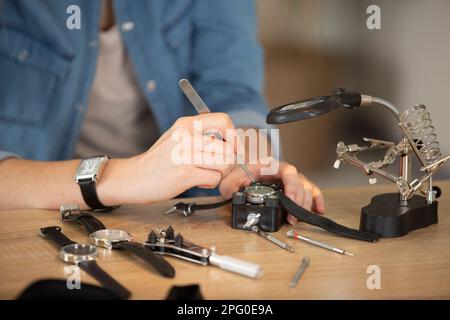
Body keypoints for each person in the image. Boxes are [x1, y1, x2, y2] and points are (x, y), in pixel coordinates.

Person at [0, 0, 324, 223]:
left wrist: (252, 165)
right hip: (33, 215)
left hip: (175, 209)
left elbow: (234, 91)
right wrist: (123, 176)